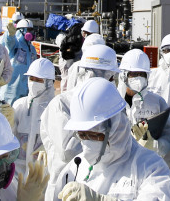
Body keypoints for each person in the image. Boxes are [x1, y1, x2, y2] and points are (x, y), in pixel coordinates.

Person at [53, 78, 170, 200]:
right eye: (82, 135)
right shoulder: (75, 168)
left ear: (117, 127)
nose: (88, 143)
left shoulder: (151, 167)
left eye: (95, 135)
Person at [39, 44, 120, 200]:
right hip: (66, 186)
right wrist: (106, 142)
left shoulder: (111, 106)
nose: (112, 82)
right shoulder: (62, 104)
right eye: (110, 78)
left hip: (99, 187)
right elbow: (67, 151)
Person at [118, 49, 170, 157]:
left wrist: (156, 145)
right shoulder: (114, 103)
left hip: (148, 162)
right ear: (124, 75)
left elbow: (169, 133)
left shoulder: (157, 102)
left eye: (141, 74)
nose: (138, 78)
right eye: (133, 74)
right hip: (120, 162)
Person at [147, 33, 170, 184]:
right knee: (154, 169)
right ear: (161, 51)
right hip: (156, 131)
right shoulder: (152, 75)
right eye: (167, 50)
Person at [12, 58, 56, 176]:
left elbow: (59, 139)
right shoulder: (20, 105)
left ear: (49, 82)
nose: (33, 83)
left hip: (41, 171)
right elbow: (12, 135)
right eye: (31, 78)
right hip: (18, 170)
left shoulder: (55, 107)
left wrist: (48, 148)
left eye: (38, 80)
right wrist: (7, 121)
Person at [0, 18, 38, 106]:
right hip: (11, 88)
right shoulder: (16, 45)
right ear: (21, 30)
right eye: (29, 30)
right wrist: (10, 35)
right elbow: (9, 41)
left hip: (25, 87)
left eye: (32, 30)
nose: (31, 32)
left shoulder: (32, 48)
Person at [59, 22, 84, 92]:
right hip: (68, 60)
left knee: (66, 79)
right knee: (68, 79)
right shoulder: (76, 40)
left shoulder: (67, 38)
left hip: (67, 60)